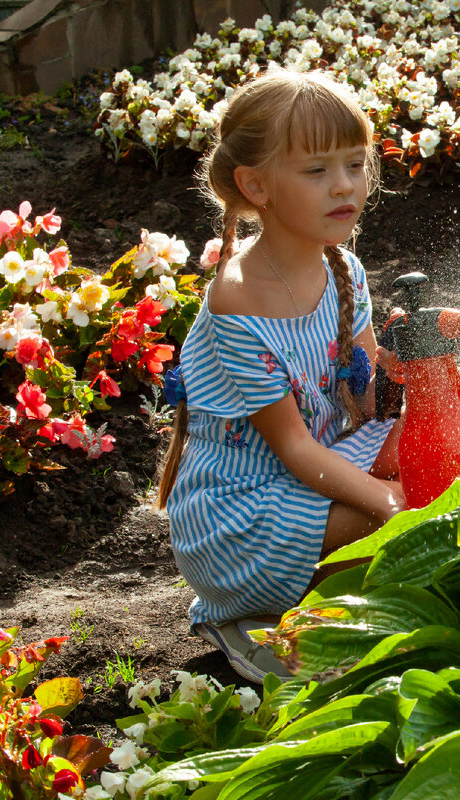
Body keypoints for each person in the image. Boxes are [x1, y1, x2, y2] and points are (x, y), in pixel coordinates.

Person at [155, 69, 405, 684]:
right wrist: (389, 502)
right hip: (239, 515)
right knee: (396, 523)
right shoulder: (238, 303)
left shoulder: (342, 266)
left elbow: (373, 401)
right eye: (317, 171)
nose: (344, 185)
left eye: (355, 163)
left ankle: (324, 604)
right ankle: (254, 618)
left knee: (436, 455)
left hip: (313, 471)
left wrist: (422, 367)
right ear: (256, 185)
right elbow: (293, 447)